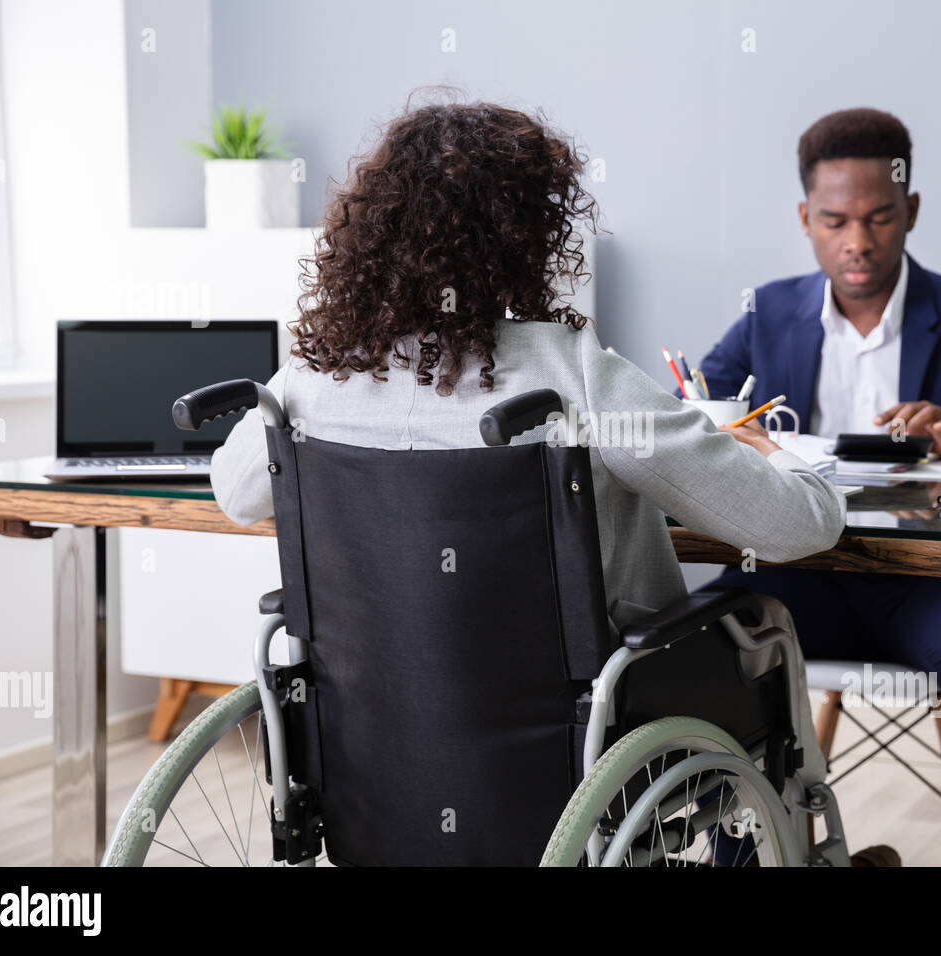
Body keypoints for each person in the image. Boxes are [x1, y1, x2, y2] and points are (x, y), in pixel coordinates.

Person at [208, 98, 854, 864]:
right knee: (764, 620)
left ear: (371, 233)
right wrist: (781, 453)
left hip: (374, 757)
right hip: (584, 751)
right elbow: (798, 527)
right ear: (524, 237)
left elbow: (235, 490)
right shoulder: (574, 379)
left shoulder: (311, 383)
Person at [696, 107, 941, 865]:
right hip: (797, 584)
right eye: (834, 220)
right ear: (806, 218)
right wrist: (735, 434)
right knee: (700, 643)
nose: (857, 242)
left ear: (912, 211)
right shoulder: (765, 315)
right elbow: (697, 417)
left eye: (878, 218)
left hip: (935, 589)